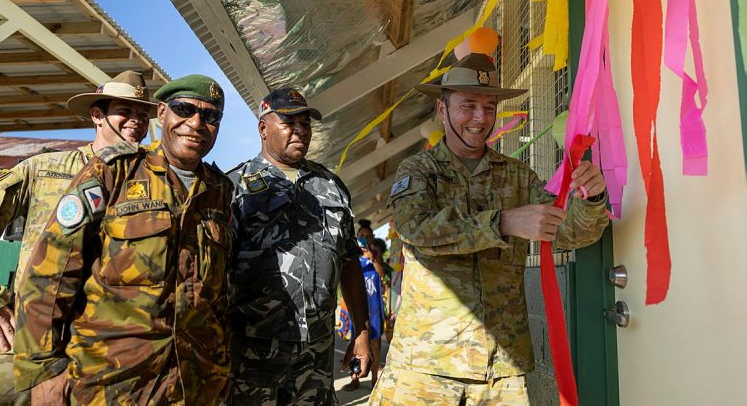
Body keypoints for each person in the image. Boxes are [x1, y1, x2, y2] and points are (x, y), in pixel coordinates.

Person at [369, 54, 609, 406]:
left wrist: (592, 198)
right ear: (442, 109)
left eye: (489, 107)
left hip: (501, 371)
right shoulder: (419, 170)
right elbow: (415, 228)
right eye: (468, 105)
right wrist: (506, 221)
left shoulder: (517, 176)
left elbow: (569, 232)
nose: (480, 119)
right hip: (426, 369)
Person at [13, 75, 233, 405]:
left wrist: (221, 368)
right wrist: (42, 371)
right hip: (112, 382)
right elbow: (50, 273)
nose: (197, 123)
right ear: (163, 113)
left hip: (195, 383)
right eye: (184, 109)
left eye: (210, 116)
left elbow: (218, 294)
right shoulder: (114, 172)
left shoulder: (219, 191)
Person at [0, 70, 154, 405]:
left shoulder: (157, 182)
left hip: (109, 345)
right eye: (125, 111)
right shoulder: (44, 168)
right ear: (97, 115)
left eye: (143, 115)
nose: (136, 121)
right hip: (26, 333)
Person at [227, 88, 371, 405]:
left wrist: (361, 332)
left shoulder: (330, 186)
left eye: (305, 124)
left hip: (316, 355)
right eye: (289, 122)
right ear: (263, 128)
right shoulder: (235, 187)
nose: (301, 131)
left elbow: (349, 262)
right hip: (252, 355)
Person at [343, 236, 385, 392]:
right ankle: (355, 379)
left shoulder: (373, 259)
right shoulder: (352, 261)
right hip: (358, 310)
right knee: (356, 344)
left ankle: (374, 381)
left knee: (375, 345)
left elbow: (381, 275)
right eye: (361, 237)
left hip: (374, 309)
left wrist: (373, 257)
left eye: (367, 239)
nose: (364, 243)